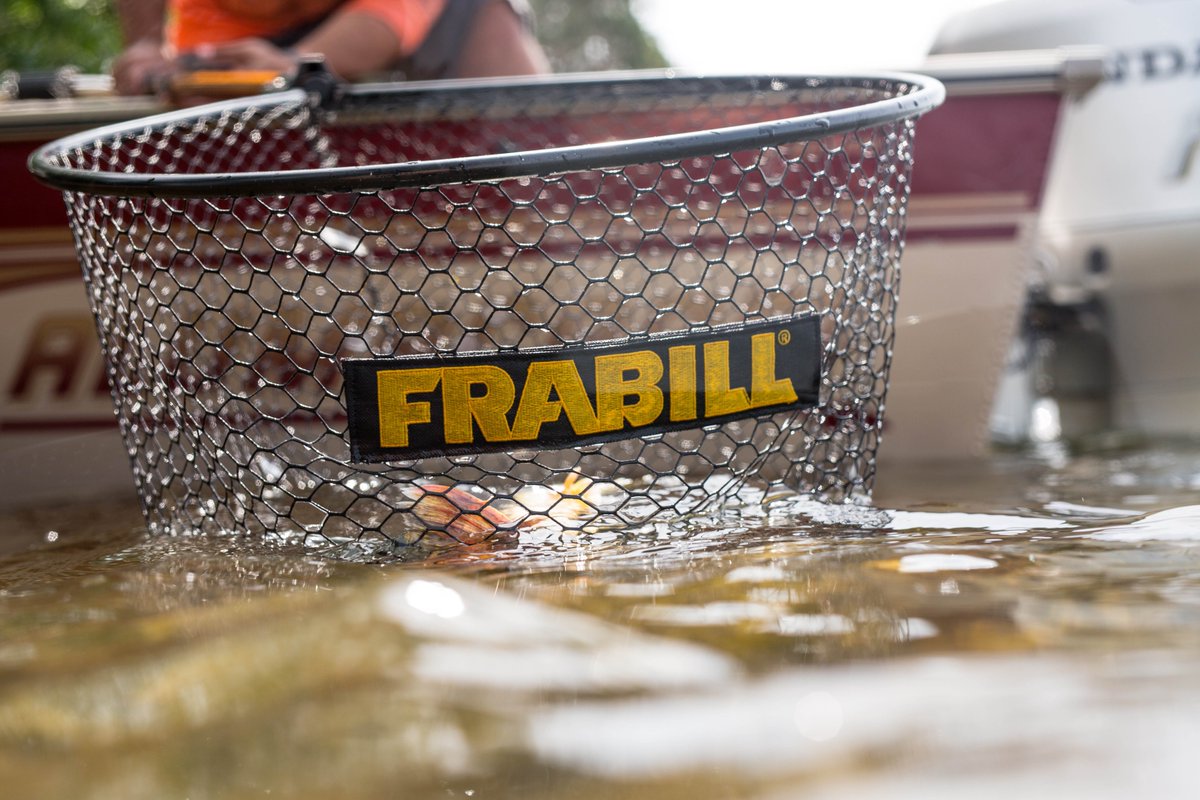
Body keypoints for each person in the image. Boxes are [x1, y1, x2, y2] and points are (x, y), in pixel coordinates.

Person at [112, 0, 549, 96]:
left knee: (491, 23)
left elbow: (395, 11)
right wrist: (151, 45)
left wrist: (295, 66)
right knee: (195, 95)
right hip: (228, 26)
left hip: (419, 18)